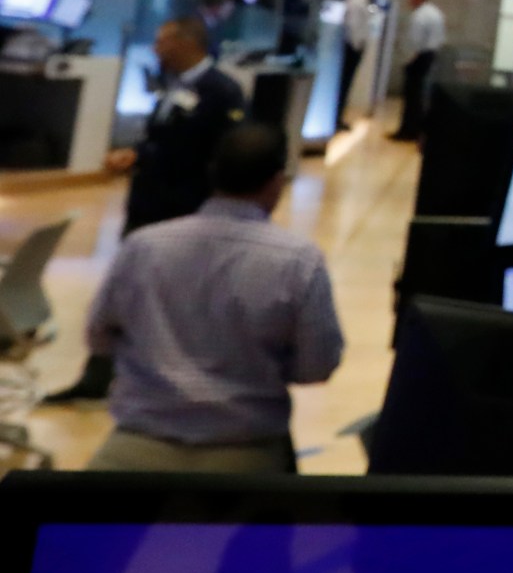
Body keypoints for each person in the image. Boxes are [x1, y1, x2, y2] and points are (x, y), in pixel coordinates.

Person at [83, 122, 343, 472]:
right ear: (277, 182)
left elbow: (98, 337)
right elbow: (317, 365)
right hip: (248, 455)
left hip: (136, 449)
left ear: (211, 173)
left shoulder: (144, 245)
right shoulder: (298, 260)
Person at [43, 16, 251, 404]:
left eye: (162, 42)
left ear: (187, 43)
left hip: (182, 215)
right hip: (147, 208)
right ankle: (98, 377)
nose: (156, 50)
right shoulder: (175, 87)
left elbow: (217, 157)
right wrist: (137, 155)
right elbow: (164, 139)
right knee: (125, 292)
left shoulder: (221, 93)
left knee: (174, 304)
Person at [388, 0, 445, 142]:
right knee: (418, 95)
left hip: (419, 56)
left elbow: (414, 41)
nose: (409, 0)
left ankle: (408, 130)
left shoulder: (420, 16)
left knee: (412, 95)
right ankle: (414, 129)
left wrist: (407, 59)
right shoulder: (434, 13)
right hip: (428, 55)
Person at [338, 0, 380, 126]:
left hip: (354, 46)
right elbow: (353, 26)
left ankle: (339, 115)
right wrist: (357, 46)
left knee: (347, 83)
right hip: (352, 47)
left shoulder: (361, 0)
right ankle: (337, 117)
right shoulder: (356, 1)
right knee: (344, 83)